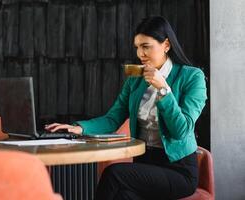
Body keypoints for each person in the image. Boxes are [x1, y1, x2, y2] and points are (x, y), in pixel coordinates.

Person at [45, 16, 207, 200]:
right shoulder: (135, 79)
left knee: (114, 174)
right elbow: (113, 118)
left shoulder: (192, 77)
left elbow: (181, 130)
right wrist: (79, 128)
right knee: (123, 195)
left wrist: (163, 89)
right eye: (137, 47)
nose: (140, 54)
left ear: (166, 45)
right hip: (145, 165)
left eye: (146, 46)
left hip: (178, 171)